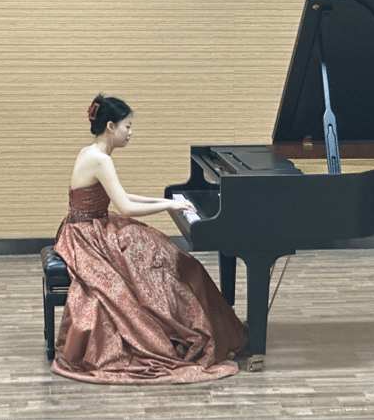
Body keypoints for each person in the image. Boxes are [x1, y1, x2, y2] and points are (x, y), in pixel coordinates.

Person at [51, 94, 248, 384]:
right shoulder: (99, 159)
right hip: (86, 235)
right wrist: (168, 205)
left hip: (88, 227)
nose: (130, 132)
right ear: (110, 126)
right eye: (127, 126)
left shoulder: (93, 153)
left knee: (162, 256)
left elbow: (120, 194)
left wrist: (166, 201)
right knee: (160, 261)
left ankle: (186, 323)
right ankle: (182, 328)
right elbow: (126, 208)